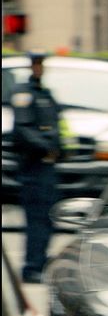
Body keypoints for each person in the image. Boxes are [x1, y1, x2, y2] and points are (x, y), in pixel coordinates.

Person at [10, 51, 62, 283]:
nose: (39, 68)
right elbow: (22, 129)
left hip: (48, 168)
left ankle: (40, 261)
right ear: (30, 66)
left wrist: (58, 145)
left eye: (42, 64)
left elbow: (57, 124)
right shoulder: (24, 94)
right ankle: (32, 267)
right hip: (33, 166)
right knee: (36, 219)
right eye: (36, 64)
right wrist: (45, 146)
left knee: (47, 218)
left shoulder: (47, 94)